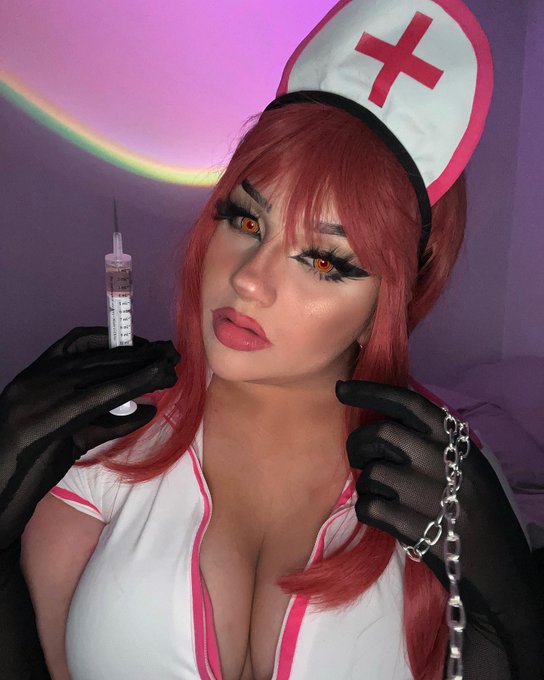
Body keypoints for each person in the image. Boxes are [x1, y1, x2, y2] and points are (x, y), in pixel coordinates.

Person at [1, 1, 542, 679]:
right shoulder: (106, 439)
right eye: (246, 220)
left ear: (389, 303)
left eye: (323, 260)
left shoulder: (448, 484)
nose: (249, 280)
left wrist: (519, 617)